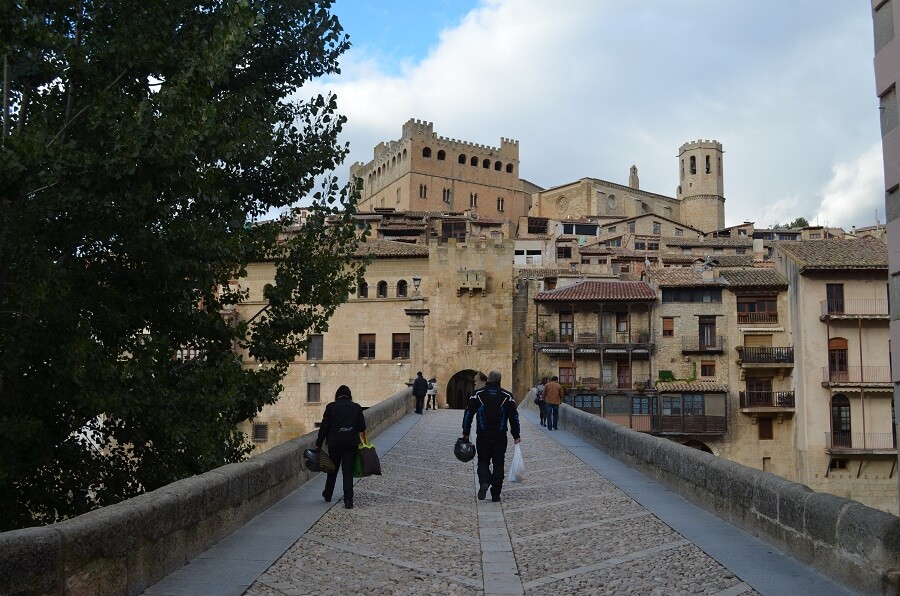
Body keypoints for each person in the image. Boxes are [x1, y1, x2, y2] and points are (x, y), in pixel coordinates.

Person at [461, 370, 521, 503]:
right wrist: (516, 434)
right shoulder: (507, 396)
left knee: (483, 460)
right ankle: (495, 494)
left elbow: (468, 414)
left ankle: (484, 481)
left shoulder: (477, 395)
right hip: (500, 436)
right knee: (498, 463)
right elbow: (514, 417)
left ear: (488, 379)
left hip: (483, 435)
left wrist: (466, 432)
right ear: (500, 380)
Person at [316, 385, 366, 509]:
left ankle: (328, 494)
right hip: (351, 444)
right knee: (347, 471)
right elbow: (362, 427)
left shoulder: (331, 407)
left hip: (335, 444)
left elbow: (325, 427)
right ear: (349, 395)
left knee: (332, 469)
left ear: (337, 395)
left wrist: (319, 441)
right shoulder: (356, 407)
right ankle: (348, 501)